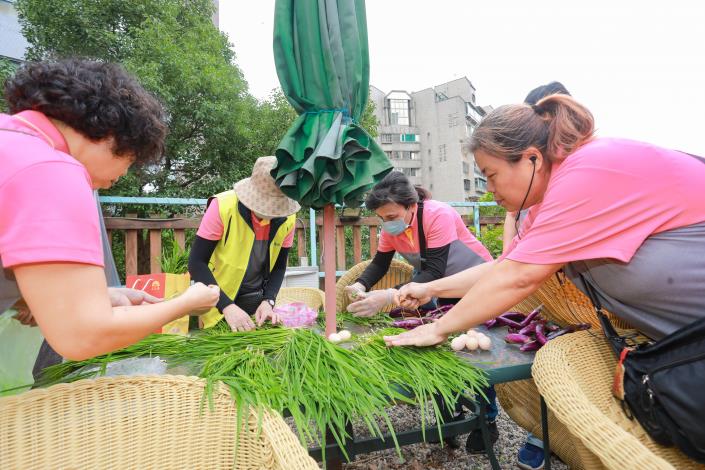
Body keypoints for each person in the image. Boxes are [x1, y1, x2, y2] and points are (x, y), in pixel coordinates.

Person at [385, 93, 705, 467]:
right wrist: (429, 289)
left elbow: (520, 278)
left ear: (533, 158)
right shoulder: (547, 201)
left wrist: (439, 328)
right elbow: (507, 266)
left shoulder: (585, 171)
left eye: (491, 175)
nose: (489, 189)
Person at [0, 59, 220, 361]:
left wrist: (106, 296)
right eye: (130, 162)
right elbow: (84, 335)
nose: (117, 179)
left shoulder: (13, 143)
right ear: (109, 135)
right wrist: (184, 303)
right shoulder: (50, 169)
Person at [503, 81, 571, 469]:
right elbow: (509, 262)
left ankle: (547, 436)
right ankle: (543, 434)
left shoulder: (570, 183)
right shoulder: (528, 198)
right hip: (552, 299)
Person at [345, 171, 492, 317]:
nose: (387, 223)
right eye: (382, 218)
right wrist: (360, 285)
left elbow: (434, 271)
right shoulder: (389, 230)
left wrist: (389, 296)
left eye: (392, 216)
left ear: (411, 206)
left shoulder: (438, 215)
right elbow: (380, 264)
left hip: (479, 279)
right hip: (445, 286)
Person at [188, 156, 300, 332]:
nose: (270, 213)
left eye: (276, 207)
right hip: (219, 299)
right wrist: (227, 306)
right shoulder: (222, 206)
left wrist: (268, 301)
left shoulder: (288, 218)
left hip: (255, 298)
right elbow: (196, 263)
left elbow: (279, 267)